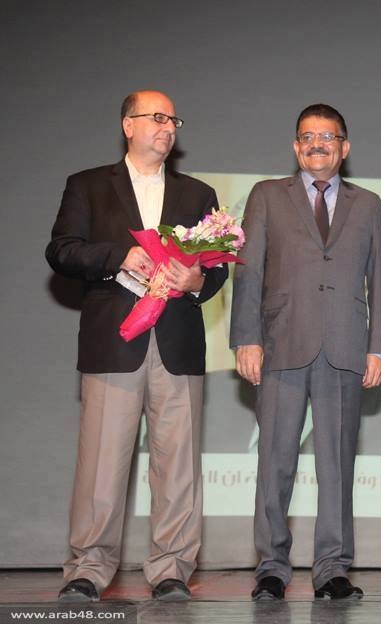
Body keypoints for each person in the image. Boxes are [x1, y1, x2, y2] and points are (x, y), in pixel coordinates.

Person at [46, 90, 228, 602]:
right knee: (102, 462)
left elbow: (216, 271)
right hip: (114, 342)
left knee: (178, 464)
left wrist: (196, 281)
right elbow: (61, 250)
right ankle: (89, 568)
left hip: (177, 344)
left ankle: (172, 569)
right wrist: (118, 256)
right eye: (157, 117)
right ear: (128, 125)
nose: (168, 127)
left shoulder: (198, 194)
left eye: (173, 120)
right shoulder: (87, 185)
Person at [230, 104, 381, 601]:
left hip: (345, 347)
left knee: (337, 465)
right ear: (295, 146)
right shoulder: (266, 196)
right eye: (307, 136)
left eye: (327, 136)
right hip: (280, 345)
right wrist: (246, 337)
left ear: (345, 147)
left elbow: (380, 280)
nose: (317, 144)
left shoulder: (369, 204)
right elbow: (248, 270)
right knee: (275, 463)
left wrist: (379, 348)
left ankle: (333, 568)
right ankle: (271, 567)